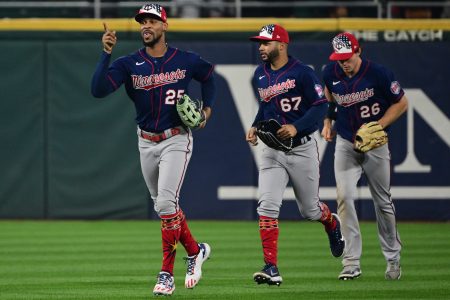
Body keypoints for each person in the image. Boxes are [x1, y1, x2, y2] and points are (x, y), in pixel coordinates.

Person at [91, 3, 216, 296]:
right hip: (146, 141)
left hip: (176, 138)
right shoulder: (128, 63)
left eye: (152, 21)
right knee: (165, 207)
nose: (146, 26)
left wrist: (207, 110)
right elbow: (98, 90)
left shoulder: (184, 60)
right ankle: (196, 251)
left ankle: (166, 274)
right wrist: (106, 53)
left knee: (164, 205)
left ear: (165, 26)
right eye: (142, 22)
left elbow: (209, 76)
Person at [246, 24, 345, 286]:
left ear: (281, 44)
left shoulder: (302, 73)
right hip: (273, 150)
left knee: (310, 210)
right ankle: (271, 267)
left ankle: (331, 223)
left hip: (301, 148)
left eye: (266, 43)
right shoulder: (260, 74)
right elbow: (266, 107)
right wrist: (255, 125)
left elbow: (320, 106)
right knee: (267, 206)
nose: (261, 47)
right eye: (260, 43)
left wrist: (296, 126)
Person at [321, 32, 407, 280]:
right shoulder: (330, 71)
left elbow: (401, 103)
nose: (344, 62)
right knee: (344, 197)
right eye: (340, 59)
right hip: (346, 142)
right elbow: (330, 97)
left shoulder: (378, 73)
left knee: (382, 202)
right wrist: (328, 121)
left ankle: (393, 259)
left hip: (374, 144)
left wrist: (378, 126)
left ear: (358, 51)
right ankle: (351, 262)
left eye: (347, 57)